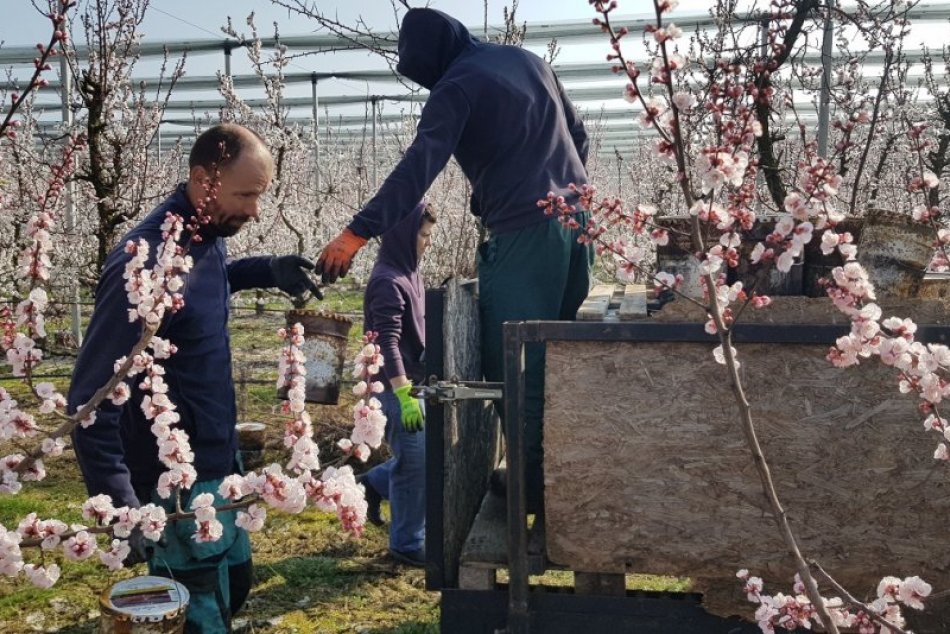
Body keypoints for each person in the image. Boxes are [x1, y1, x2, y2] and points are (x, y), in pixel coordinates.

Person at [316, 8, 592, 513]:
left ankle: (532, 489)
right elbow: (579, 135)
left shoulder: (457, 84)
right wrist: (559, 193)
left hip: (524, 233)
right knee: (562, 356)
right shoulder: (528, 61)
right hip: (578, 225)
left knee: (513, 362)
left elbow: (419, 166)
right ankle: (561, 477)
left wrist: (357, 232)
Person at [68, 123, 320, 634]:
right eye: (246, 195)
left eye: (260, 195)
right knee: (200, 612)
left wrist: (267, 270)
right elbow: (89, 400)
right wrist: (122, 506)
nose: (255, 210)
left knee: (237, 581)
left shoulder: (205, 234)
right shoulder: (147, 264)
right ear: (204, 180)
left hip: (218, 458)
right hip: (173, 480)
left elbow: (207, 281)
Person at [358, 202, 435, 567]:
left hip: (413, 383)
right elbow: (386, 344)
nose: (427, 242)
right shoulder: (387, 281)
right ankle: (406, 543)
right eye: (423, 235)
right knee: (416, 465)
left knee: (424, 459)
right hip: (393, 388)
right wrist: (404, 395)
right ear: (404, 235)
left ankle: (373, 483)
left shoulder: (409, 272)